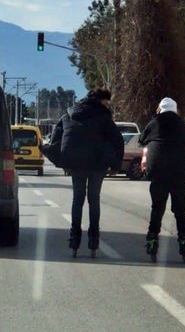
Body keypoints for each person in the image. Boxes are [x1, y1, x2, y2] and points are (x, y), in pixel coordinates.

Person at [49, 88, 124, 258]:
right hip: (98, 164)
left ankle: (74, 239)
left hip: (76, 163)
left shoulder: (70, 113)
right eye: (106, 102)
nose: (107, 105)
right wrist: (116, 165)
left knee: (77, 199)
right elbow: (117, 140)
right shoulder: (103, 116)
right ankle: (93, 240)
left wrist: (63, 160)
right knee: (93, 199)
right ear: (100, 100)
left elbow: (57, 136)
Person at [138, 97, 185, 263]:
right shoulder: (181, 124)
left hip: (157, 173)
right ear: (175, 110)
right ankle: (184, 243)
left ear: (160, 109)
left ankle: (152, 240)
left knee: (157, 208)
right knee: (179, 210)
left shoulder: (154, 123)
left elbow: (141, 140)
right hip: (178, 173)